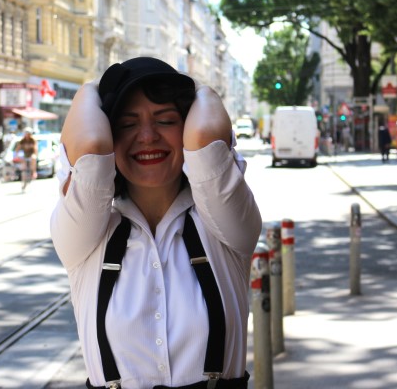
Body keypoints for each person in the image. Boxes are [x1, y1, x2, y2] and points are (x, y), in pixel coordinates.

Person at [50, 56, 261, 389]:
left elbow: (206, 137)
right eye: (127, 124)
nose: (147, 136)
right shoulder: (85, 233)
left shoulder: (225, 223)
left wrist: (196, 87)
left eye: (165, 120)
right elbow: (91, 147)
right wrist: (93, 88)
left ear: (185, 128)